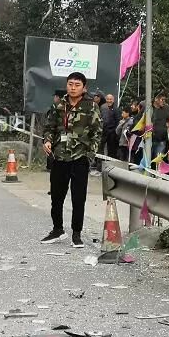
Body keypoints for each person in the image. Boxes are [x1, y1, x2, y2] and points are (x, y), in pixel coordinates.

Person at [41, 72, 102, 248]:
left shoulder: (91, 106)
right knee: (57, 196)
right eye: (70, 84)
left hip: (80, 158)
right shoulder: (59, 105)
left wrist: (90, 155)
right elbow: (49, 127)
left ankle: (77, 234)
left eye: (77, 85)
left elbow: (97, 133)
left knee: (78, 198)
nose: (73, 87)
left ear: (84, 87)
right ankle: (57, 229)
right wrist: (47, 141)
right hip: (59, 157)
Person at [100, 93, 121, 160]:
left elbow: (118, 121)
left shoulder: (116, 109)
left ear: (113, 100)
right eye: (108, 99)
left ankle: (110, 163)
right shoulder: (103, 108)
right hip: (103, 131)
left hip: (112, 132)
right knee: (100, 148)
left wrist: (115, 132)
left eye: (110, 99)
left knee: (111, 149)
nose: (109, 101)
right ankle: (99, 162)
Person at [151, 94, 169, 158]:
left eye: (165, 100)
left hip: (162, 139)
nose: (164, 102)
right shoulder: (149, 108)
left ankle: (158, 168)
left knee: (158, 160)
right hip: (149, 138)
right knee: (147, 159)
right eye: (162, 100)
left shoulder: (166, 109)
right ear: (156, 99)